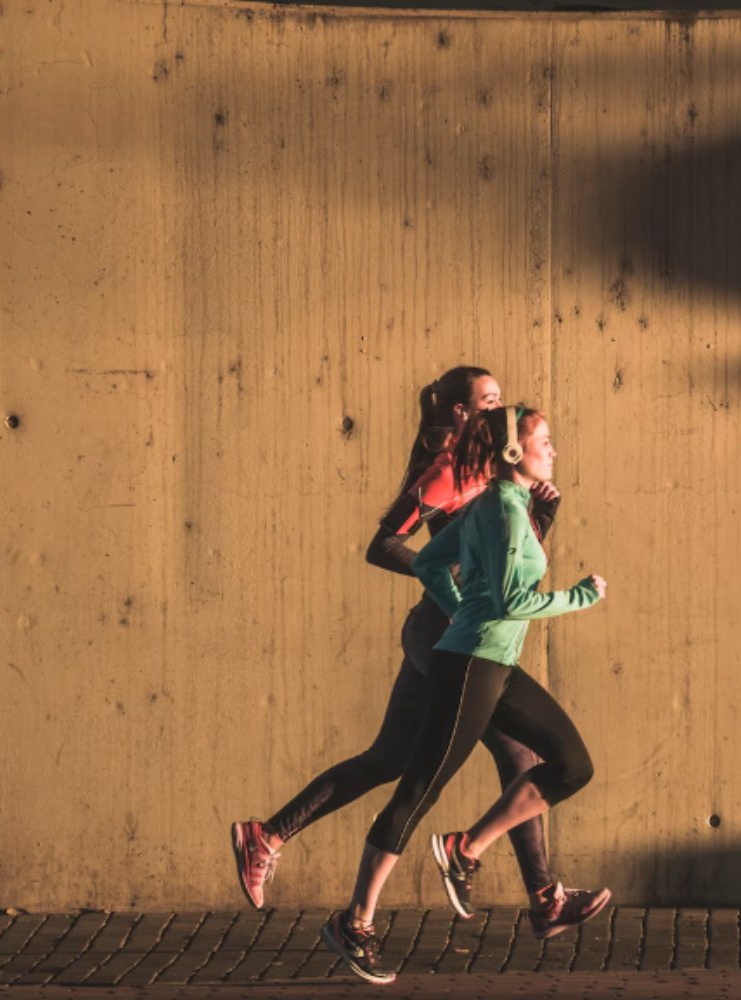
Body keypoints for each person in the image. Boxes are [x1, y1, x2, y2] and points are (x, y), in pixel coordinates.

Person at [231, 369, 606, 937]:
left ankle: (270, 835)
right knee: (514, 758)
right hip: (445, 631)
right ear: (458, 413)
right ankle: (536, 894)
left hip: (456, 630)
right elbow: (387, 545)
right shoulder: (446, 474)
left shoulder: (491, 476)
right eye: (488, 401)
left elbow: (507, 563)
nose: (499, 409)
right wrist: (454, 593)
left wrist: (538, 522)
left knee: (392, 759)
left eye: (502, 401)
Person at [321, 405, 606, 984]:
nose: (552, 449)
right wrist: (579, 596)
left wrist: (460, 615)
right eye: (543, 442)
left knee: (572, 765)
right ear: (511, 453)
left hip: (490, 660)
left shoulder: (506, 506)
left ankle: (466, 847)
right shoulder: (501, 509)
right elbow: (510, 604)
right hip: (472, 666)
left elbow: (428, 563)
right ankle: (355, 922)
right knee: (418, 788)